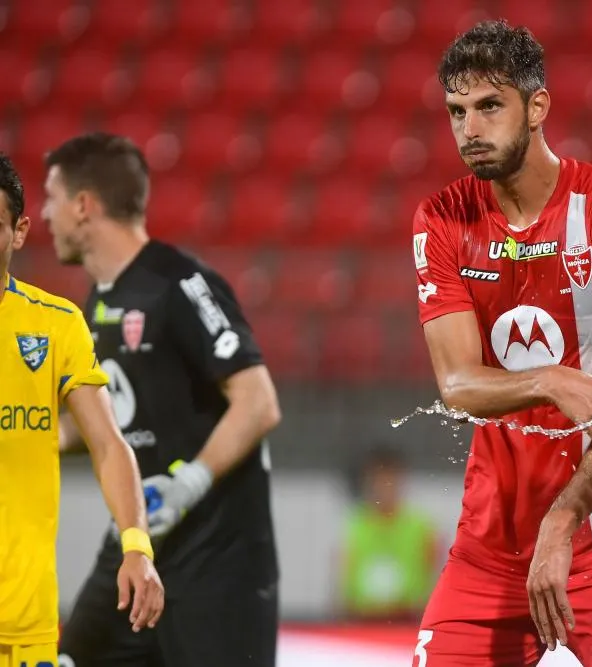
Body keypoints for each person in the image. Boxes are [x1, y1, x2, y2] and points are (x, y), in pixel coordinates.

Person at [410, 20, 592, 667]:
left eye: (488, 107)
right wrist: (550, 379)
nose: (469, 129)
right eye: (456, 111)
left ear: (537, 107)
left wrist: (562, 522)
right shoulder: (443, 218)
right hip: (491, 550)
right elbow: (457, 387)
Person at [42, 133, 282, 667]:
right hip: (137, 547)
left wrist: (189, 482)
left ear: (84, 206)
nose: (43, 215)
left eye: (50, 199)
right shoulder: (96, 304)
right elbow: (96, 426)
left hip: (215, 562)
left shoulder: (181, 283)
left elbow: (258, 401)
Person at [0, 153, 164, 667]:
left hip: (24, 627)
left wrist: (136, 544)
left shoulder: (55, 325)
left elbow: (109, 443)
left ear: (20, 230)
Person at [340, 446, 439, 622]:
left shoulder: (420, 526)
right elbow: (347, 576)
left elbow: (432, 574)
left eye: (390, 480)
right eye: (379, 481)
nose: (385, 488)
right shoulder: (357, 525)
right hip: (364, 619)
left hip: (408, 619)